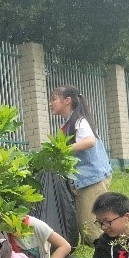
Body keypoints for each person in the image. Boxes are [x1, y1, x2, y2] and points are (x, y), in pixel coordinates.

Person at [49, 85, 112, 245]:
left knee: (92, 231)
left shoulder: (79, 121)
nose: (51, 103)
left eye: (54, 99)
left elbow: (89, 141)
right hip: (85, 181)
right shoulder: (70, 122)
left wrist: (63, 150)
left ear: (67, 100)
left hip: (92, 180)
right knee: (87, 229)